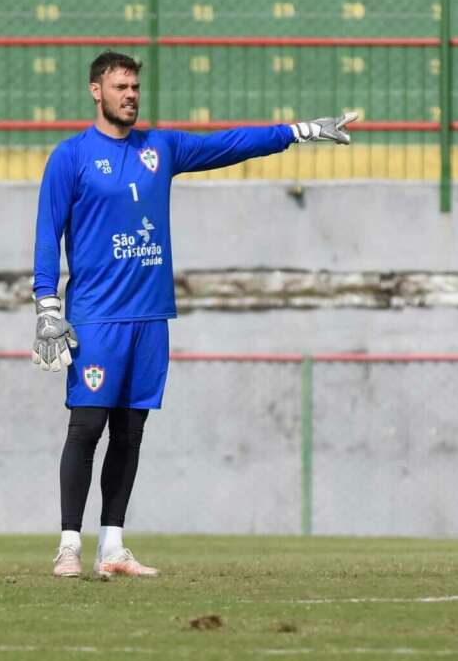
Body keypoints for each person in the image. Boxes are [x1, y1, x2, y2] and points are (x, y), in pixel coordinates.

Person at [32, 51, 355, 579]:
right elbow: (49, 233)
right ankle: (69, 544)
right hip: (95, 317)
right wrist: (47, 304)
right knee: (86, 427)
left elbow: (227, 144)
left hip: (150, 316)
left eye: (135, 86)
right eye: (120, 86)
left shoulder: (160, 147)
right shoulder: (71, 157)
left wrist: (298, 131)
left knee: (130, 432)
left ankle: (111, 546)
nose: (130, 94)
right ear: (97, 91)